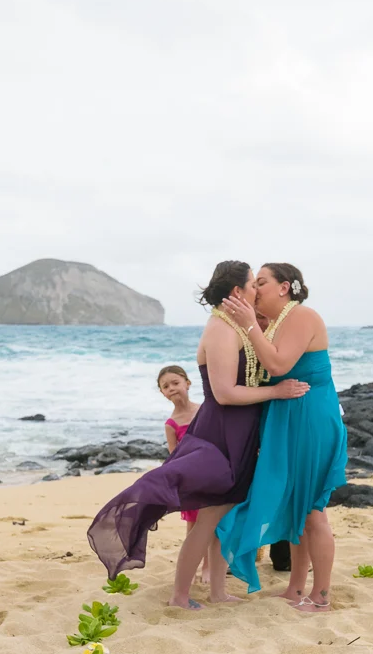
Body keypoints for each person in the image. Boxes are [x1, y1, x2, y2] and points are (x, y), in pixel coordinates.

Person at [87, 260, 309, 609]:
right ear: (237, 291)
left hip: (241, 433)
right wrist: (276, 393)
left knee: (223, 517)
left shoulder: (237, 325)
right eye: (253, 285)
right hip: (222, 433)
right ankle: (179, 596)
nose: (257, 290)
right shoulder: (220, 329)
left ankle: (218, 591)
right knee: (208, 519)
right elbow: (224, 393)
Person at [216, 263, 347, 613]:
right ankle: (295, 587)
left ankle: (320, 596)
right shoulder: (276, 323)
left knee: (312, 509)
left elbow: (278, 366)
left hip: (310, 418)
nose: (255, 290)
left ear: (285, 287)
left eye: (262, 282)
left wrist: (248, 325)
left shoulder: (302, 316)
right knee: (296, 504)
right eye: (253, 283)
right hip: (288, 416)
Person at [157, 364, 204, 580]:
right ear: (162, 393)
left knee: (213, 525)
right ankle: (191, 568)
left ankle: (208, 568)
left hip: (211, 474)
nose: (172, 388)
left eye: (175, 383)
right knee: (193, 526)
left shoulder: (204, 410)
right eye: (166, 386)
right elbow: (173, 456)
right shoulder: (171, 424)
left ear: (188, 383)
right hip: (190, 479)